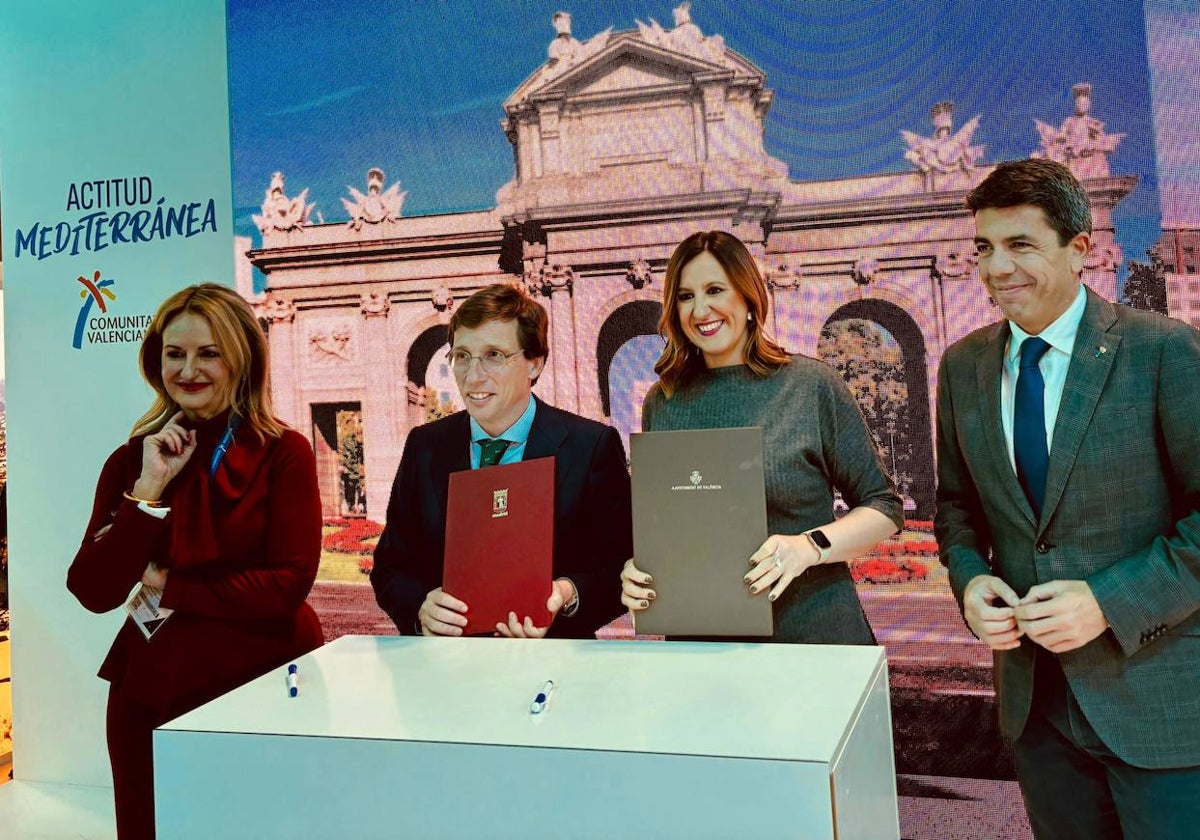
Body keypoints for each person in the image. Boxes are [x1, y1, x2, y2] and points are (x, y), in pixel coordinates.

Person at [935, 158, 1200, 838]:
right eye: (985, 249)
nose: (998, 268)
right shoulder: (962, 368)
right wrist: (971, 584)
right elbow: (957, 507)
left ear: (1079, 247)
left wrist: (1106, 601)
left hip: (1161, 709)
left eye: (1020, 244)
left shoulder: (1164, 351)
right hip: (1036, 712)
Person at [67, 284, 324, 839]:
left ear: (241, 358)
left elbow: (286, 587)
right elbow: (92, 588)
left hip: (263, 688)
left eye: (209, 353)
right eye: (174, 353)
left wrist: (170, 585)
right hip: (151, 692)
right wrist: (148, 491)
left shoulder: (285, 452)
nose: (188, 369)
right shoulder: (134, 459)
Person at [620, 230, 903, 643]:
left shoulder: (810, 385)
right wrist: (640, 571)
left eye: (715, 289)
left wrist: (809, 547)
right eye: (685, 296)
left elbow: (884, 507)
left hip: (812, 636)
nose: (701, 309)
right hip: (702, 648)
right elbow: (671, 524)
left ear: (749, 298)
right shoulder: (663, 402)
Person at [371, 283, 631, 639]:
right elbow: (390, 567)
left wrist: (568, 595)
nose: (472, 375)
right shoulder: (425, 447)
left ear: (534, 363)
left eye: (494, 355)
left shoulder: (590, 446)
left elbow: (620, 567)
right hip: (448, 670)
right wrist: (420, 607)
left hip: (555, 668)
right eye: (462, 356)